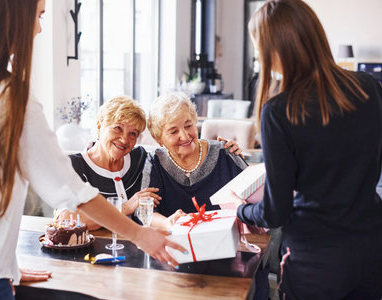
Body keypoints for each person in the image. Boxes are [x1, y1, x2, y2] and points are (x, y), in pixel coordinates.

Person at [0, 1, 185, 299]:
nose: (39, 29)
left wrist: (7, 267)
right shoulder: (12, 99)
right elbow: (72, 194)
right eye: (38, 16)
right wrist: (141, 235)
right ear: (13, 18)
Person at [234, 0, 382, 299]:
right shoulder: (370, 87)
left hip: (316, 258)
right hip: (371, 247)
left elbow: (275, 212)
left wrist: (242, 210)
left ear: (273, 50)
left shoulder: (279, 111)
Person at [145, 92, 248, 230]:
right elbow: (145, 210)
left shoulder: (227, 153)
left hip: (226, 243)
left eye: (188, 126)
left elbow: (255, 201)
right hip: (175, 245)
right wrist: (166, 223)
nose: (185, 136)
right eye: (174, 132)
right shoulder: (154, 163)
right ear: (159, 139)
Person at [62, 96, 161, 230]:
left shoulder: (140, 158)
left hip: (137, 245)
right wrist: (125, 207)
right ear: (99, 126)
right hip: (97, 248)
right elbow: (67, 219)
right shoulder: (75, 166)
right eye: (117, 128)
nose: (125, 139)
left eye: (133, 133)